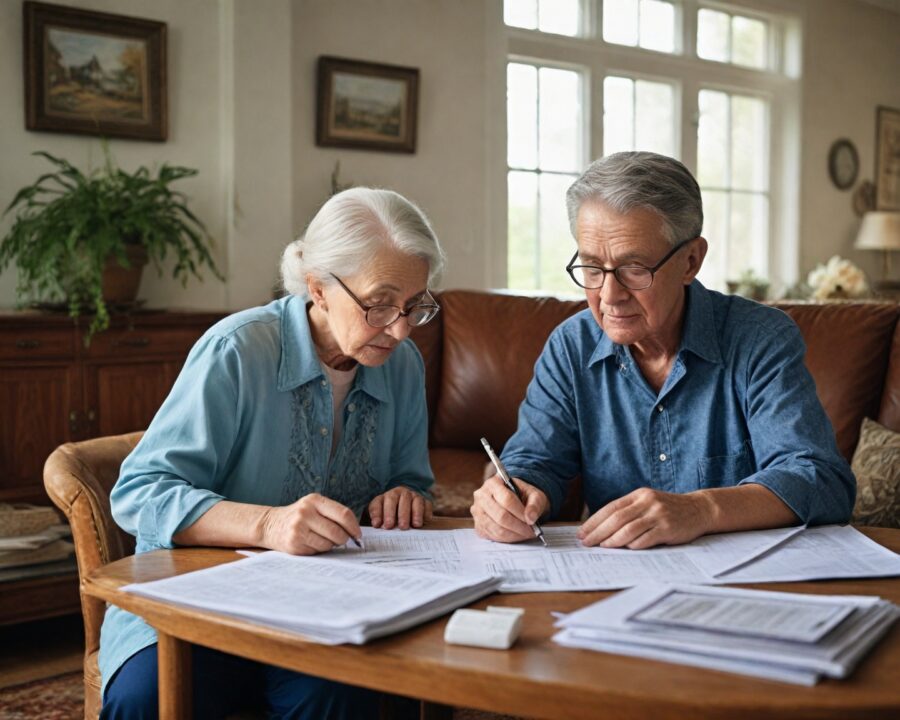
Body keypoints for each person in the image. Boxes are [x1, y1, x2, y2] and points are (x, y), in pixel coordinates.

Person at [100, 187, 445, 719]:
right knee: (146, 700)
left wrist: (405, 495)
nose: (400, 329)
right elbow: (141, 492)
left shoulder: (403, 367)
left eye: (414, 306)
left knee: (344, 695)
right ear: (319, 288)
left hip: (327, 611)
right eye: (379, 304)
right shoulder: (237, 351)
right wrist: (266, 525)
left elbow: (409, 479)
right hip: (198, 600)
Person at [471, 151, 855, 550]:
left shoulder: (761, 339)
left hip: (742, 584)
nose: (609, 296)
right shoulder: (571, 347)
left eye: (634, 268)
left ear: (691, 261)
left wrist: (702, 509)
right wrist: (510, 495)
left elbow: (822, 481)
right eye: (591, 267)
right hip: (614, 582)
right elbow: (534, 462)